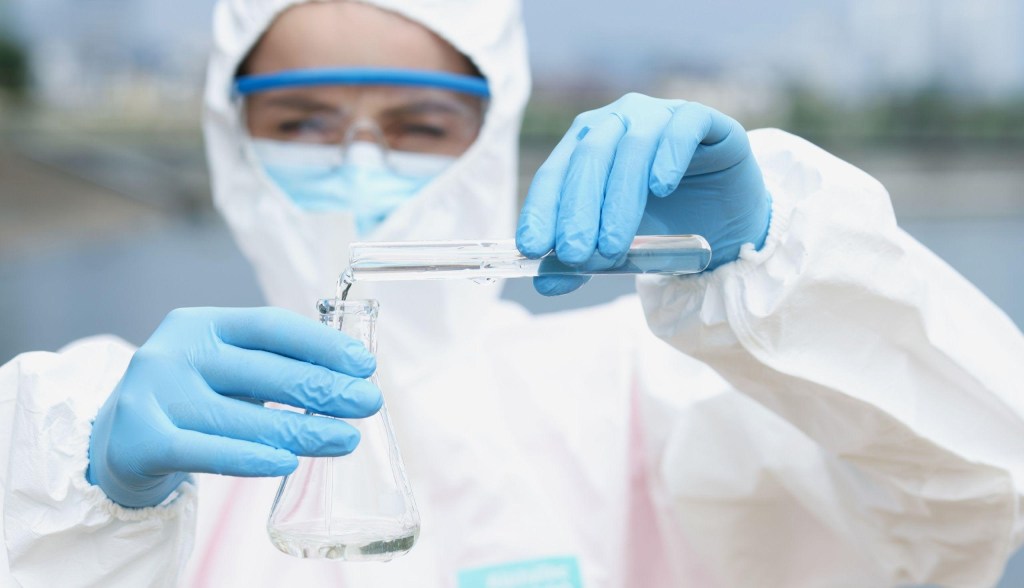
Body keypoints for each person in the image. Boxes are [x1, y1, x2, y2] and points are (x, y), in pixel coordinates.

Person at [2, 0, 1022, 586]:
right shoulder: (89, 424)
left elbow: (975, 496)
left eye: (418, 125)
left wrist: (783, 266)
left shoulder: (632, 395)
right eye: (304, 122)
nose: (360, 163)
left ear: (491, 137)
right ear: (232, 141)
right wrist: (98, 504)